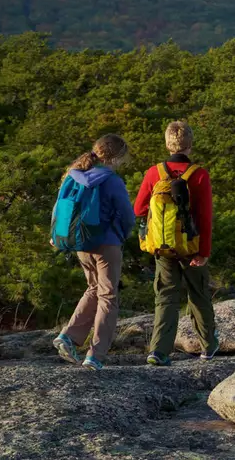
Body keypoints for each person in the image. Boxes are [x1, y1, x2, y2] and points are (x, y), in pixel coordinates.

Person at [135, 120, 218, 366]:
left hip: (163, 247)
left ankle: (159, 351)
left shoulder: (154, 173)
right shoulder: (199, 174)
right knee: (199, 295)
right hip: (192, 246)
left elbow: (138, 209)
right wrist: (204, 251)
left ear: (167, 143)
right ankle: (208, 346)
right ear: (190, 145)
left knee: (166, 298)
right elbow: (204, 217)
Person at [53, 134, 135, 371]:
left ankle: (68, 336)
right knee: (108, 296)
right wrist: (121, 234)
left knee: (93, 289)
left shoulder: (74, 174)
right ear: (117, 157)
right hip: (106, 243)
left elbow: (60, 208)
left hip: (80, 244)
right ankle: (95, 355)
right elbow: (127, 216)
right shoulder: (112, 180)